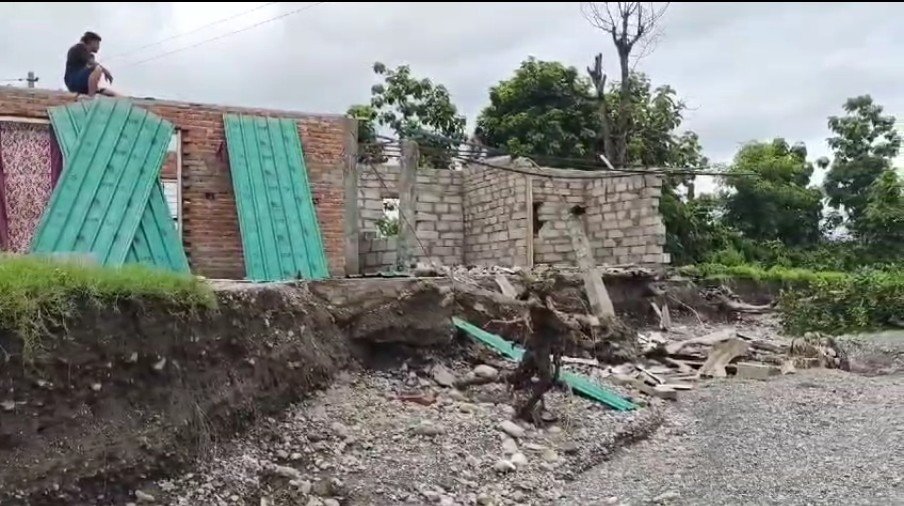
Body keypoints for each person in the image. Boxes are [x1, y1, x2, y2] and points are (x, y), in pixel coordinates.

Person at [64, 31, 119, 97]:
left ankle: (93, 93)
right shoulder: (79, 47)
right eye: (97, 43)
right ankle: (91, 97)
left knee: (111, 93)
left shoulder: (90, 55)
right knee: (97, 69)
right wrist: (105, 71)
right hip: (73, 81)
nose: (99, 47)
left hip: (82, 84)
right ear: (91, 41)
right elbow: (92, 64)